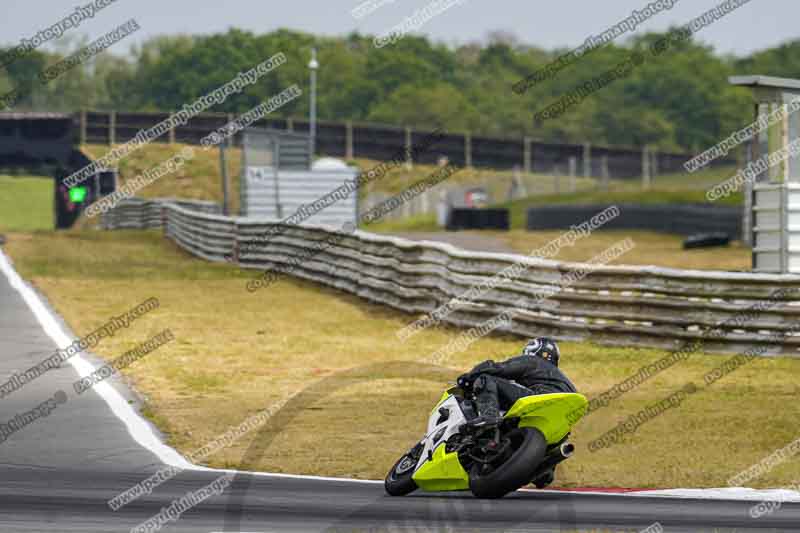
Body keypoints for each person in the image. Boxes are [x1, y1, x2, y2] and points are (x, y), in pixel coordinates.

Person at [456, 337, 577, 427]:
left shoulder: (532, 361)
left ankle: (489, 416)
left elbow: (499, 369)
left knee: (485, 379)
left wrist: (469, 377)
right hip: (565, 411)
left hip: (540, 398)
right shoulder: (562, 379)